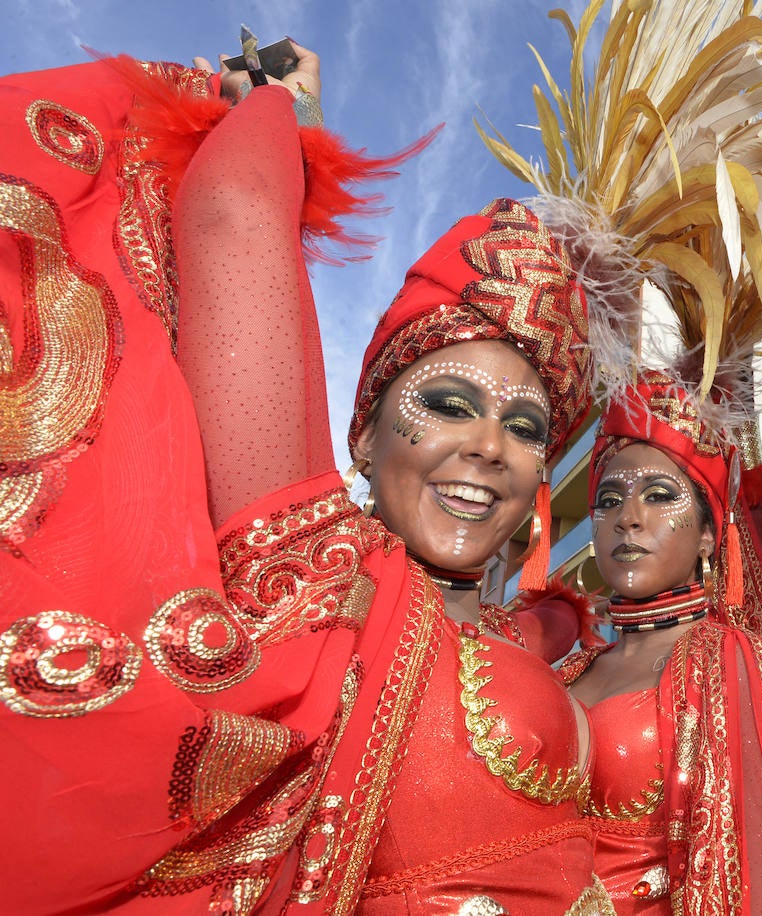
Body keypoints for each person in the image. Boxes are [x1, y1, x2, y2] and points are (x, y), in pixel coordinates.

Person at [3, 42, 617, 914]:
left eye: (525, 428)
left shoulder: (559, 639)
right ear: (363, 438)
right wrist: (284, 116)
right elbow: (234, 219)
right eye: (447, 403)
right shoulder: (319, 586)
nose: (490, 445)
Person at [561, 369, 762, 914]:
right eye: (608, 499)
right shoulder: (570, 669)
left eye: (659, 495)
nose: (629, 518)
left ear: (709, 536)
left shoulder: (729, 660)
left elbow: (755, 877)